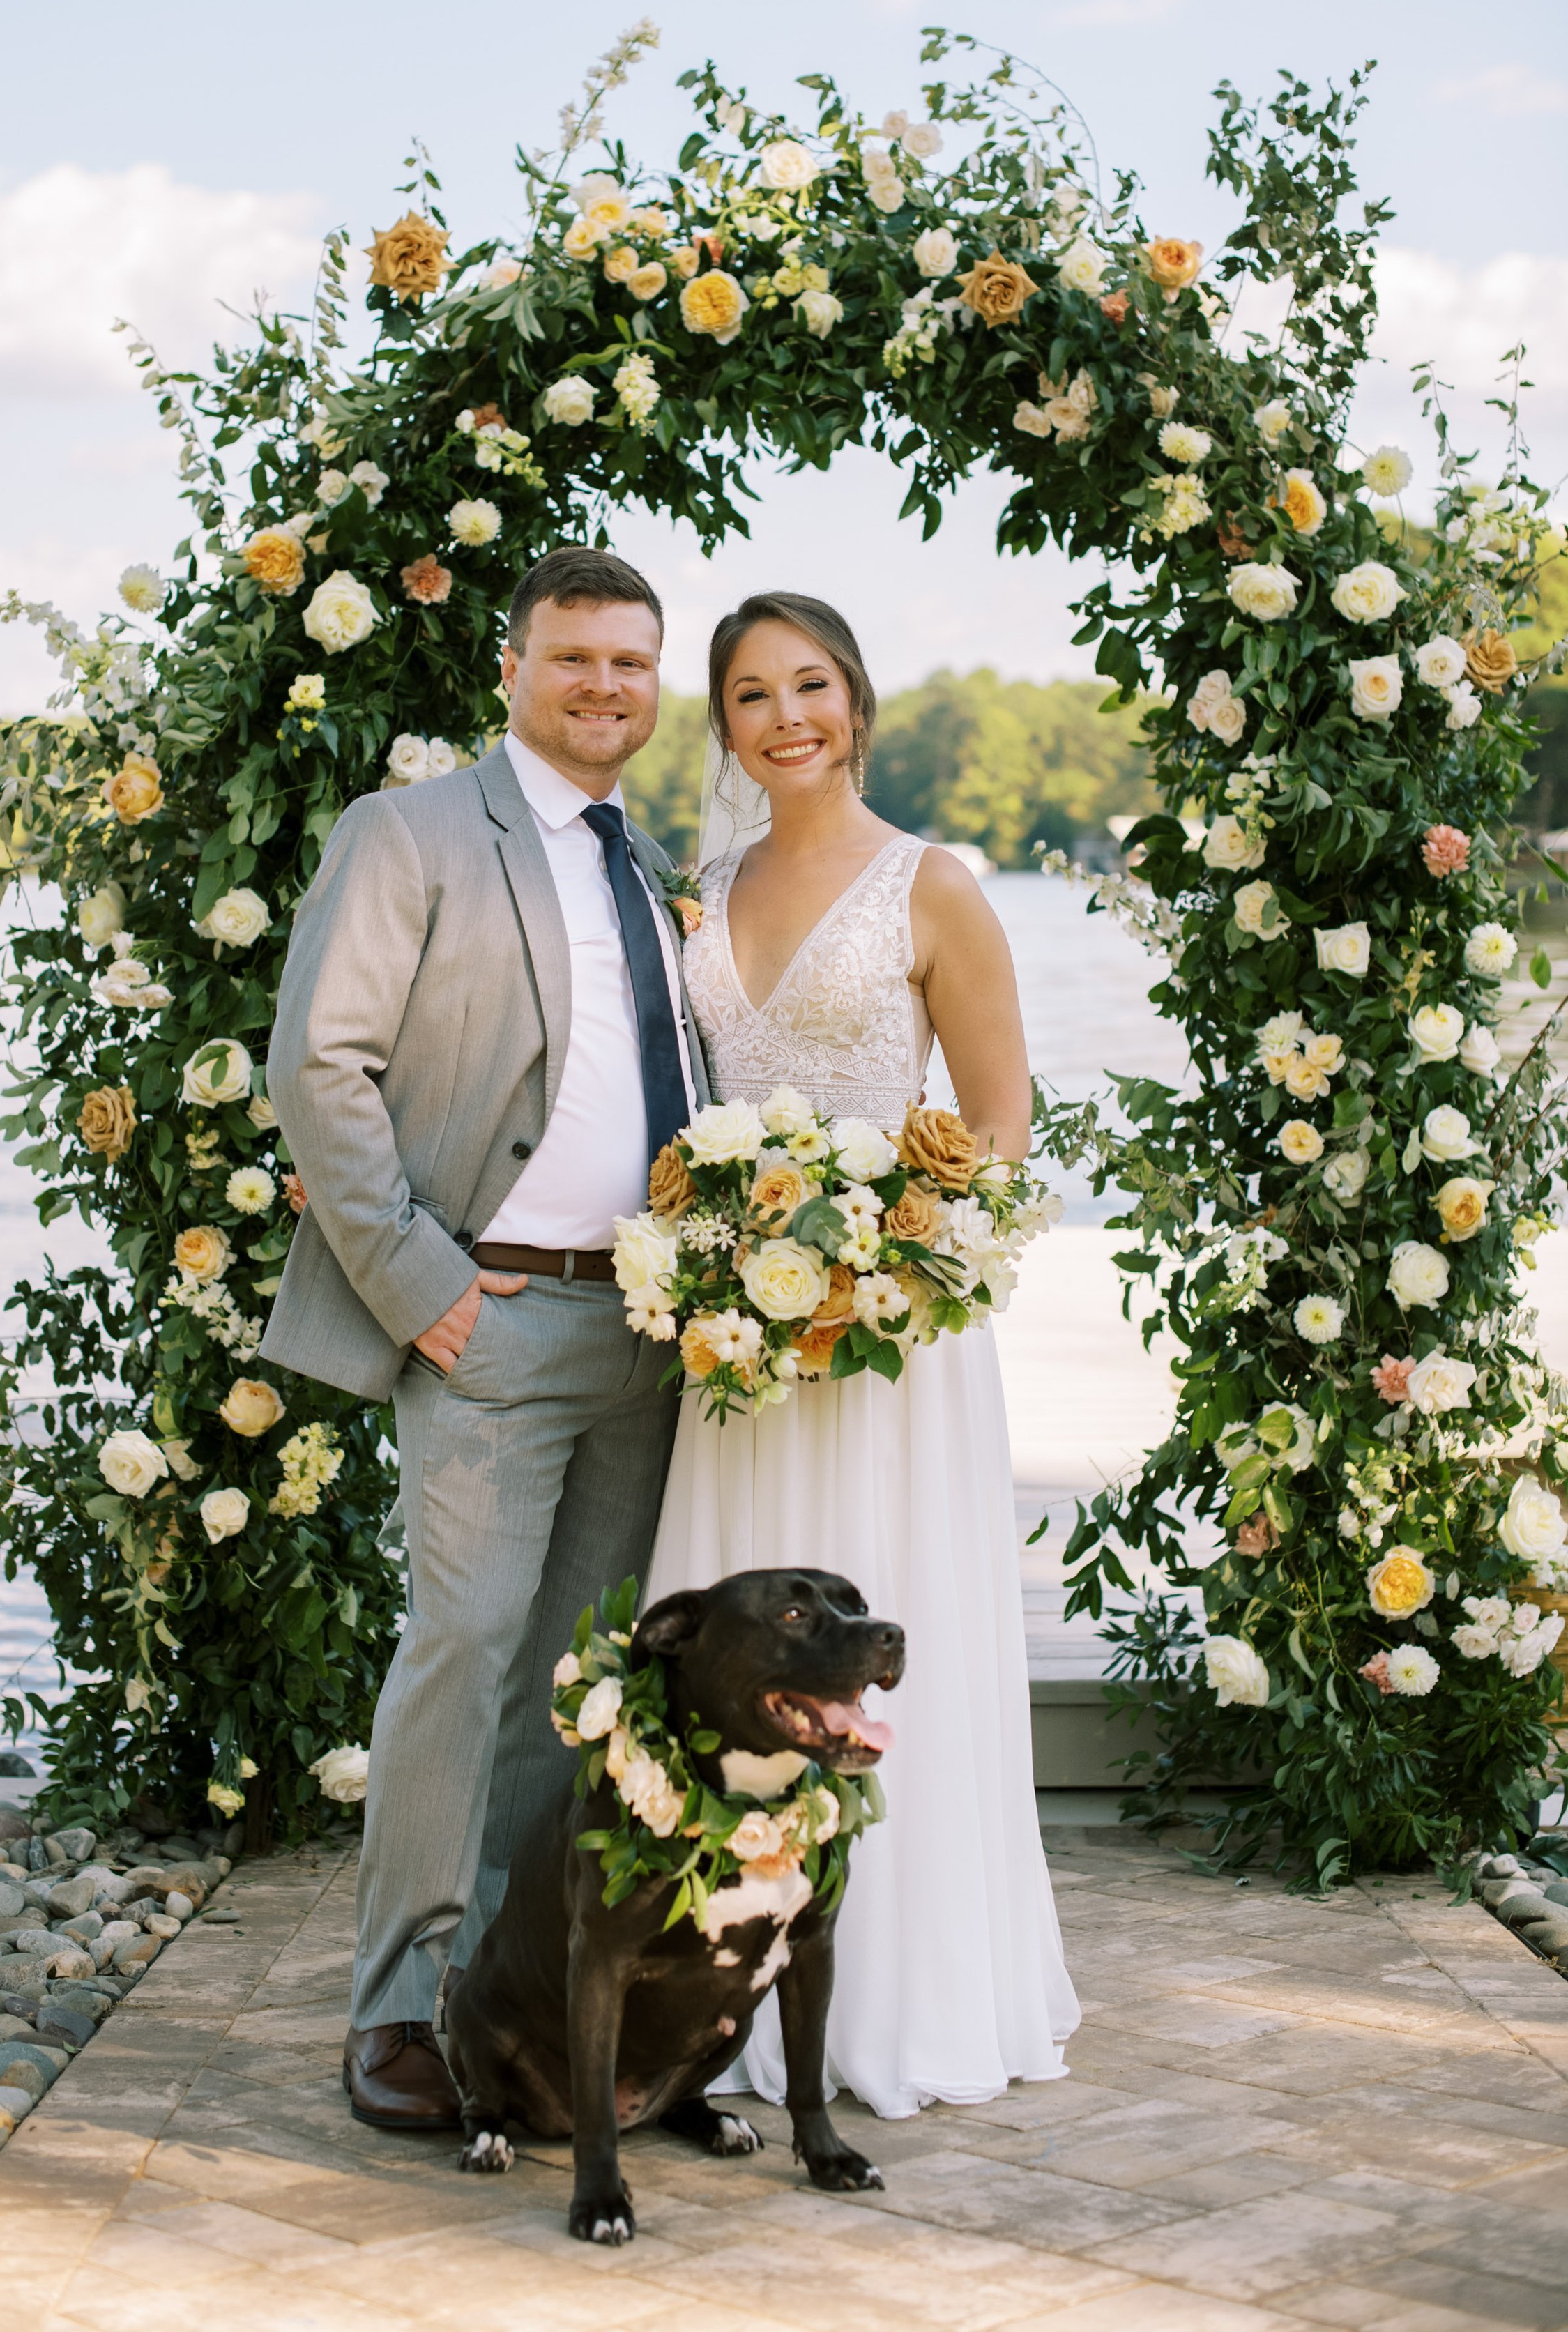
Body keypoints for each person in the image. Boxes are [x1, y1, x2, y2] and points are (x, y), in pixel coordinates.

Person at [262, 544, 706, 2130]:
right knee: (459, 1657)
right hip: (490, 1320)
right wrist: (424, 1287)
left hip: (647, 1336)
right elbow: (319, 1068)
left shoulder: (655, 868)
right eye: (575, 656)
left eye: (633, 662)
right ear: (510, 670)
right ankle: (392, 2011)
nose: (605, 685)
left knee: (571, 1686)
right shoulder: (414, 832)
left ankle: (506, 1999)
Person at [646, 591, 1079, 2121]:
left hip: (890, 1344)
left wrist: (900, 1269)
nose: (786, 718)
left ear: (856, 700)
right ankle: (718, 1999)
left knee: (887, 1625)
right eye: (751, 694)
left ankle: (902, 1988)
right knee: (731, 1655)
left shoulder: (930, 886)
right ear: (723, 726)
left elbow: (998, 1120)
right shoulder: (700, 890)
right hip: (742, 1347)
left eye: (810, 684)